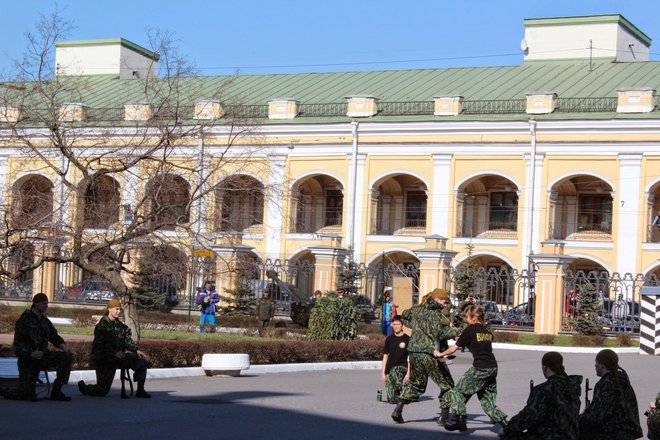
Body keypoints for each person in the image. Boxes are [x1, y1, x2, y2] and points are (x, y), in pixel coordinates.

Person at [390, 288, 456, 426]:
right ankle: (444, 417)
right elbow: (440, 334)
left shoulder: (417, 310)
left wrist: (415, 325)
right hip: (430, 354)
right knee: (447, 385)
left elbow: (405, 315)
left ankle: (398, 409)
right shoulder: (436, 313)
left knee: (416, 384)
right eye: (444, 301)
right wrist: (456, 331)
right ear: (437, 299)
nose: (445, 304)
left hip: (414, 353)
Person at [438, 304, 507, 432]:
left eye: (467, 317)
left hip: (480, 368)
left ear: (474, 317)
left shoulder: (470, 330)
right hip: (492, 368)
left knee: (457, 392)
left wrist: (440, 354)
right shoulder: (487, 331)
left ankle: (460, 421)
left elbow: (453, 349)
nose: (466, 319)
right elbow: (475, 342)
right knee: (487, 401)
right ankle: (507, 426)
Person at [0, 293, 73, 401]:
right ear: (35, 304)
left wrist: (65, 348)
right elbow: (18, 344)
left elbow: (54, 336)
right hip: (28, 360)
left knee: (66, 358)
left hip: (43, 357)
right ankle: (4, 391)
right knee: (26, 395)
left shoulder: (45, 321)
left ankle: (57, 392)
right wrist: (31, 353)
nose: (46, 306)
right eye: (44, 303)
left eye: (47, 303)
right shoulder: (24, 320)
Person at [499, 351, 582, 439]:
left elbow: (528, 416)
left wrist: (507, 429)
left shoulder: (543, 390)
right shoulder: (572, 386)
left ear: (545, 368)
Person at [78, 299, 151, 398]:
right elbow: (100, 345)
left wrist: (136, 350)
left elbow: (127, 341)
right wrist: (114, 353)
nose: (118, 311)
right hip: (104, 358)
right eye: (116, 309)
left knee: (140, 362)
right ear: (109, 309)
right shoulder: (102, 326)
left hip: (118, 357)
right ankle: (84, 388)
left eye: (119, 309)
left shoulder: (121, 327)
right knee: (102, 391)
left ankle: (140, 390)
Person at [578, 349, 643, 440]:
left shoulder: (606, 384)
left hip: (613, 433)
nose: (595, 365)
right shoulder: (623, 381)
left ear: (602, 366)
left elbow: (596, 416)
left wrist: (577, 420)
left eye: (596, 362)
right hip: (629, 433)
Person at [380, 315, 410, 403]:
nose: (396, 327)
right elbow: (385, 356)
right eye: (394, 324)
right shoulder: (389, 339)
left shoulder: (407, 339)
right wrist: (383, 373)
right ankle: (395, 395)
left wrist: (408, 373)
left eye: (398, 324)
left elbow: (410, 358)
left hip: (402, 367)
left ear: (402, 325)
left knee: (395, 370)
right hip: (390, 367)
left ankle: (404, 393)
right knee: (391, 399)